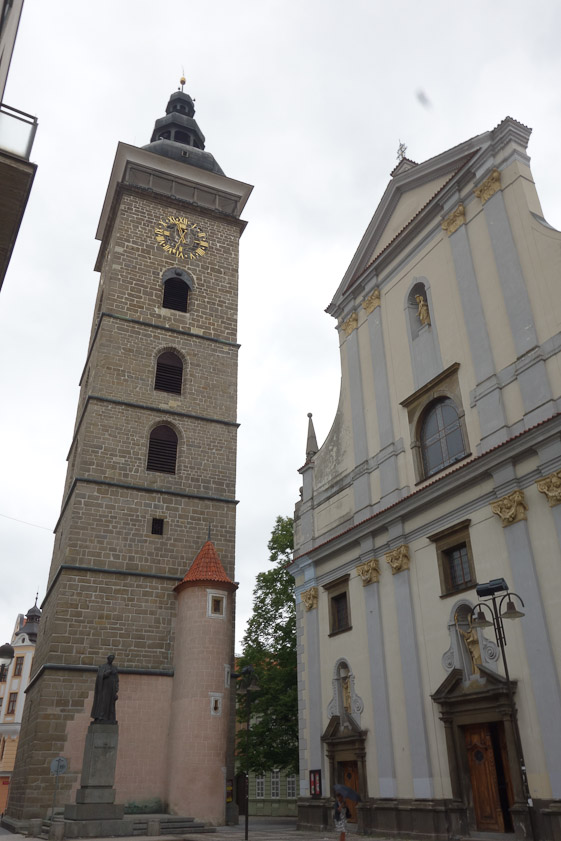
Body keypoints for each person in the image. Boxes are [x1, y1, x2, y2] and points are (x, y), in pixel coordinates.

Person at [91, 654, 119, 723]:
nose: (111, 660)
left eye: (113, 658)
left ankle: (110, 718)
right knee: (103, 702)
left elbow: (116, 679)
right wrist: (105, 674)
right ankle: (101, 716)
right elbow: (99, 677)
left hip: (112, 688)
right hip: (104, 688)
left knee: (111, 703)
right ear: (108, 659)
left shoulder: (114, 668)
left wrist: (116, 689)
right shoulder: (103, 666)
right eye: (110, 658)